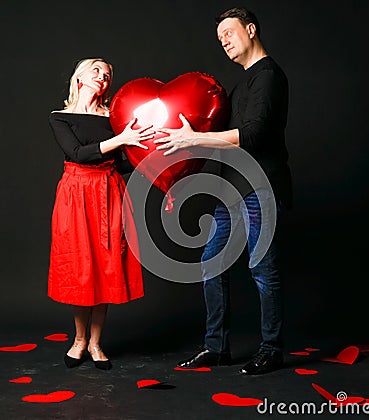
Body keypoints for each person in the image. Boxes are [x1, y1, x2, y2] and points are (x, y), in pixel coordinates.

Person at [155, 7, 292, 374]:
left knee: (262, 268)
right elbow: (219, 142)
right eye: (220, 39)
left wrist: (194, 137)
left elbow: (253, 135)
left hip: (262, 187)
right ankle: (216, 348)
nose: (224, 42)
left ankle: (271, 347)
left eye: (229, 33)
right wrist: (174, 177)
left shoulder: (268, 76)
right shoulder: (241, 83)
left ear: (250, 30)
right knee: (211, 263)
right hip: (231, 190)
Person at [48, 58, 154, 370]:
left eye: (107, 74)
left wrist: (151, 157)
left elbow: (123, 162)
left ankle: (95, 342)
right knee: (82, 267)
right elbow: (78, 153)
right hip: (76, 194)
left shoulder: (115, 117)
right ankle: (79, 340)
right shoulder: (60, 118)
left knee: (106, 266)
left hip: (110, 193)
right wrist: (121, 140)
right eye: (96, 69)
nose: (103, 76)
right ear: (78, 77)